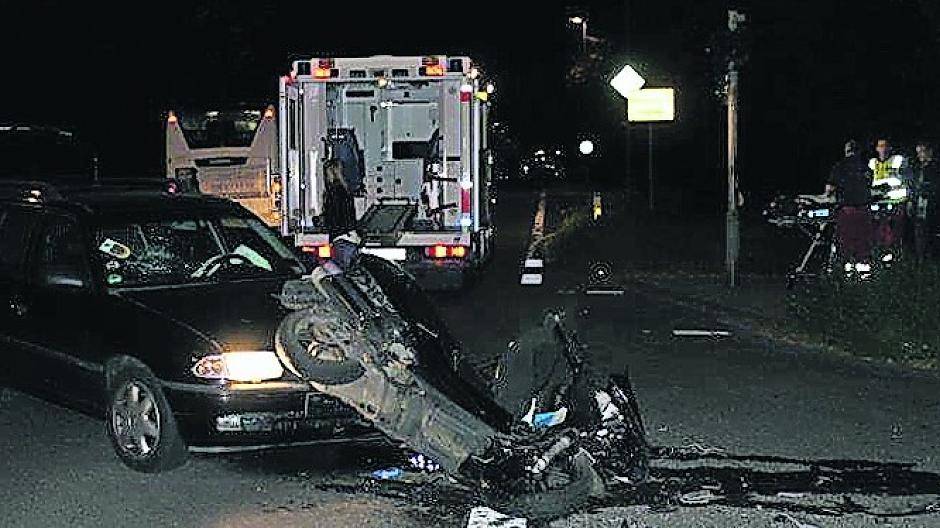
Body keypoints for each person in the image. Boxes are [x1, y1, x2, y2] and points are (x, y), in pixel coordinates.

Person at [826, 140, 873, 269]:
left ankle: (847, 272)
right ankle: (864, 273)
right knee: (863, 243)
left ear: (846, 151)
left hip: (847, 211)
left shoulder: (839, 167)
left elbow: (829, 190)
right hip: (864, 211)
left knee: (846, 242)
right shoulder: (866, 168)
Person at [322, 158, 360, 270]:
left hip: (340, 237)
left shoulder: (332, 193)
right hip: (350, 235)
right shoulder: (345, 190)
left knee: (341, 272)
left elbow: (333, 216)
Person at [911, 141, 938, 260]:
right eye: (918, 152)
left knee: (931, 231)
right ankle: (921, 257)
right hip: (919, 205)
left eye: (922, 151)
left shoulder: (935, 168)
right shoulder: (917, 169)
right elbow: (913, 185)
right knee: (920, 231)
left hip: (932, 205)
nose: (920, 155)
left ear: (929, 152)